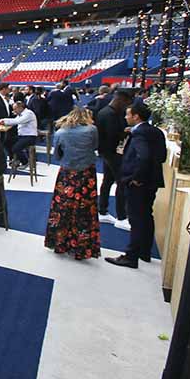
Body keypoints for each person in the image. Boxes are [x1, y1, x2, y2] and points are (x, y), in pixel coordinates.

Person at [106, 103, 167, 269]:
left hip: (139, 183)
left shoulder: (139, 133)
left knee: (136, 218)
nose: (126, 117)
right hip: (152, 181)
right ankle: (144, 252)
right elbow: (161, 157)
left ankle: (131, 256)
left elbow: (144, 157)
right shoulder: (155, 131)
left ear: (136, 116)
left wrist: (136, 178)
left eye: (128, 115)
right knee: (146, 215)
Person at [45, 107, 100, 260]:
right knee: (85, 209)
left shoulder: (61, 132)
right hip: (86, 173)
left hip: (67, 174)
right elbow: (95, 146)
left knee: (62, 208)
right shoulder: (92, 130)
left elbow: (57, 155)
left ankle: (59, 242)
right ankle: (82, 247)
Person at [97, 90, 131, 228]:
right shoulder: (110, 114)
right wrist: (126, 132)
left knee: (107, 181)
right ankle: (121, 217)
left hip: (106, 152)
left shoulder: (104, 111)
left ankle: (103, 210)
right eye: (126, 104)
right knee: (120, 184)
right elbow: (113, 135)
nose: (125, 107)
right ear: (120, 100)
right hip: (112, 153)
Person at [0, 100, 38, 168]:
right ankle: (15, 159)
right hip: (22, 136)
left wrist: (5, 122)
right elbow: (13, 119)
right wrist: (3, 120)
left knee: (15, 148)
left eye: (15, 109)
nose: (14, 111)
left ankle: (25, 162)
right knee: (7, 142)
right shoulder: (21, 114)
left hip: (30, 136)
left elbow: (18, 121)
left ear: (20, 108)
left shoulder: (28, 114)